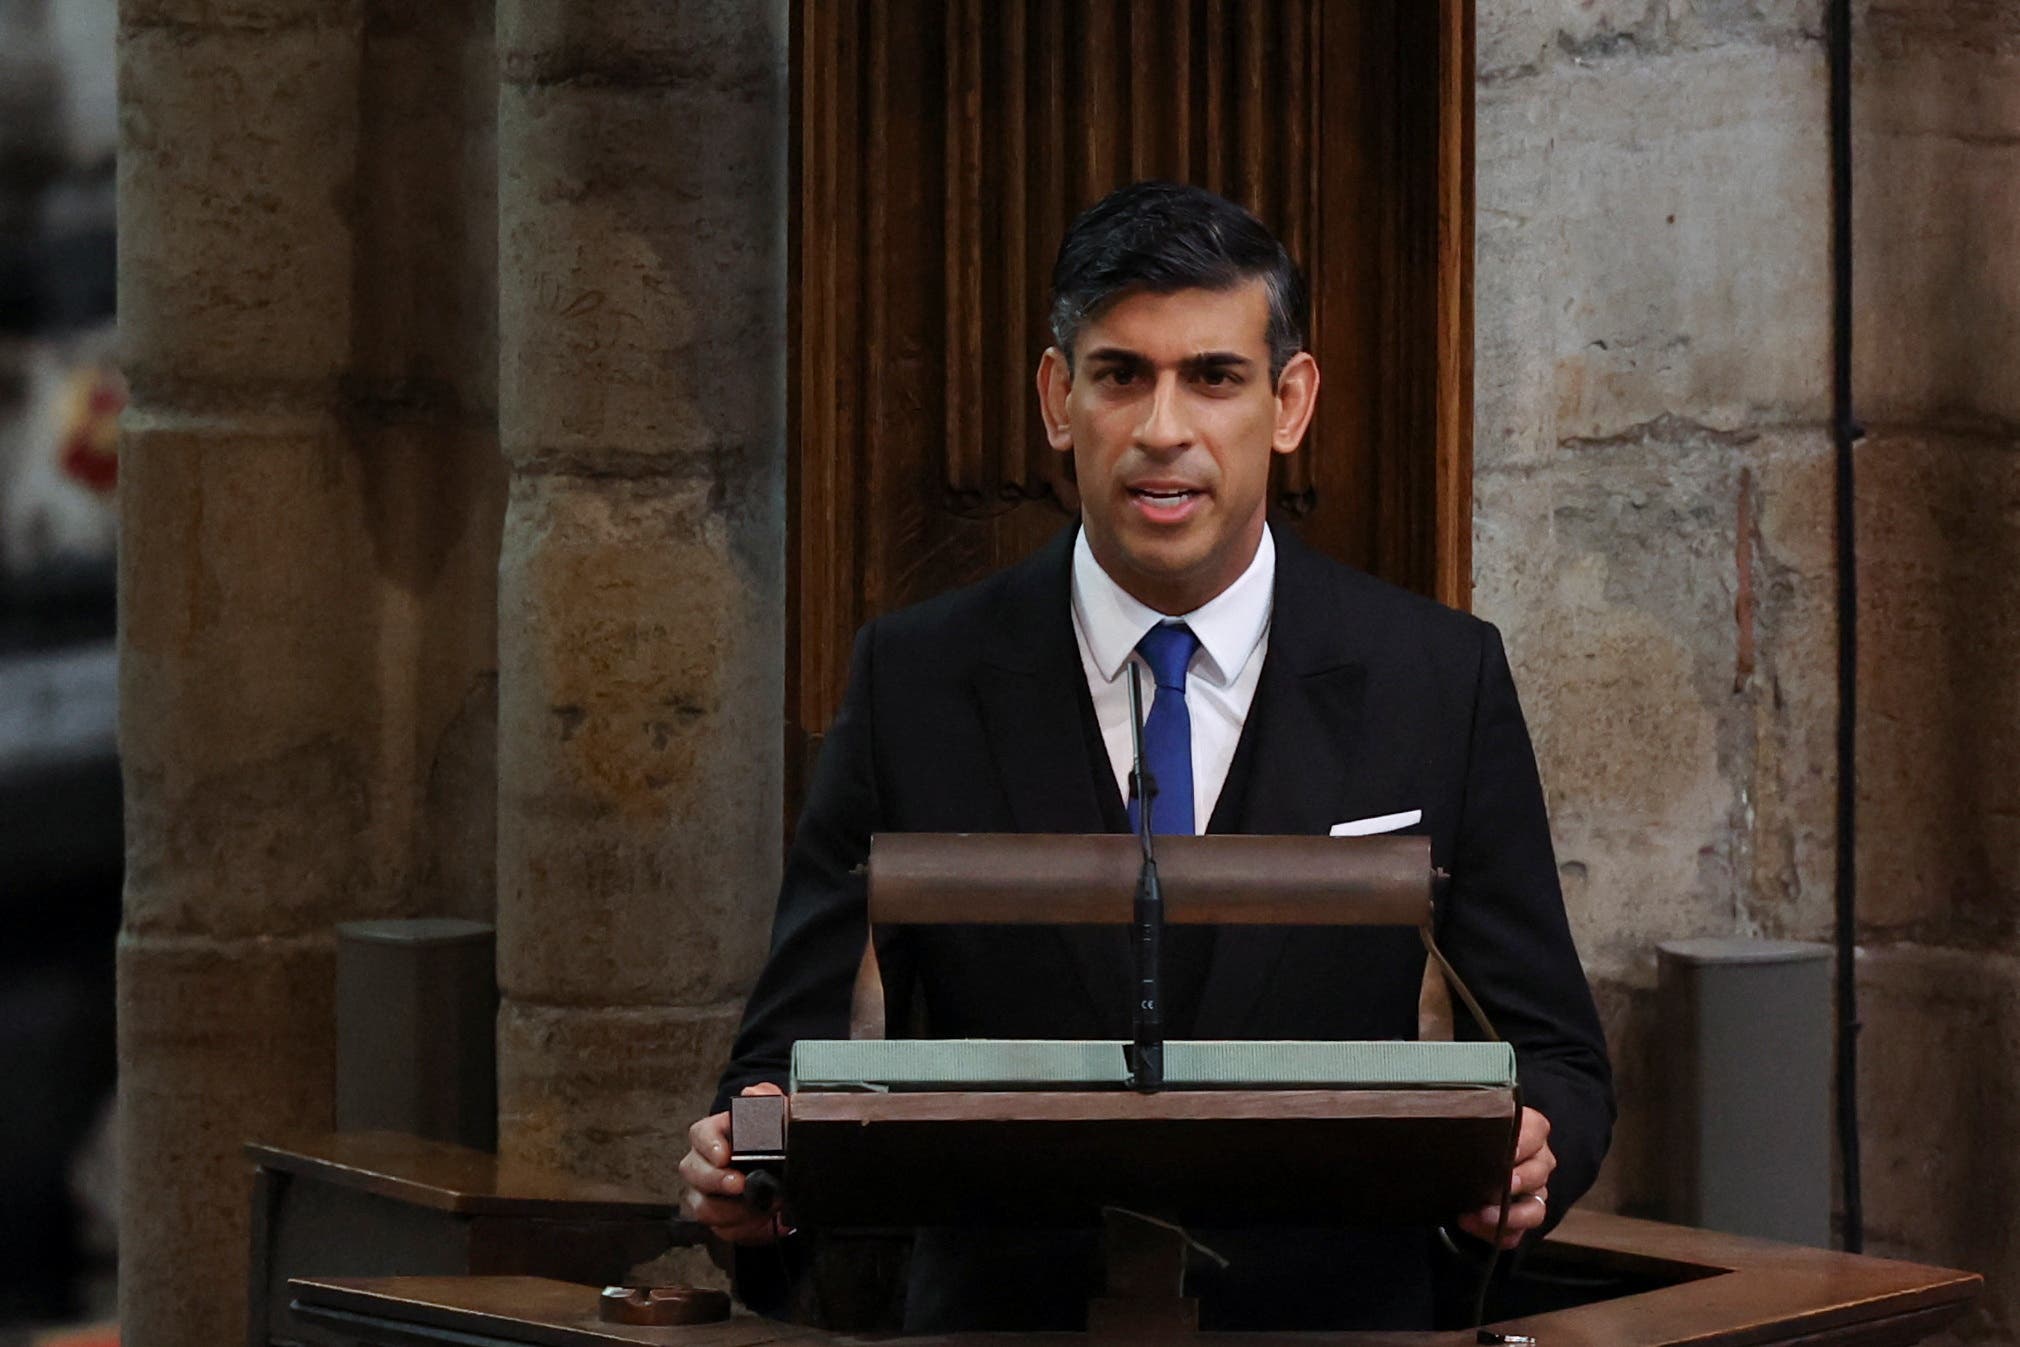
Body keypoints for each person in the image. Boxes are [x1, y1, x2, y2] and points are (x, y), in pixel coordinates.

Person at [679, 180, 1613, 1331]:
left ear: (1289, 401)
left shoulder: (1437, 677)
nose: (1163, 427)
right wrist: (753, 1163)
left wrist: (1531, 1162)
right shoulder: (915, 678)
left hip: (1332, 1322)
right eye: (1122, 374)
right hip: (1003, 1326)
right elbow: (782, 1051)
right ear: (1058, 398)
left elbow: (1557, 1058)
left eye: (1212, 377)